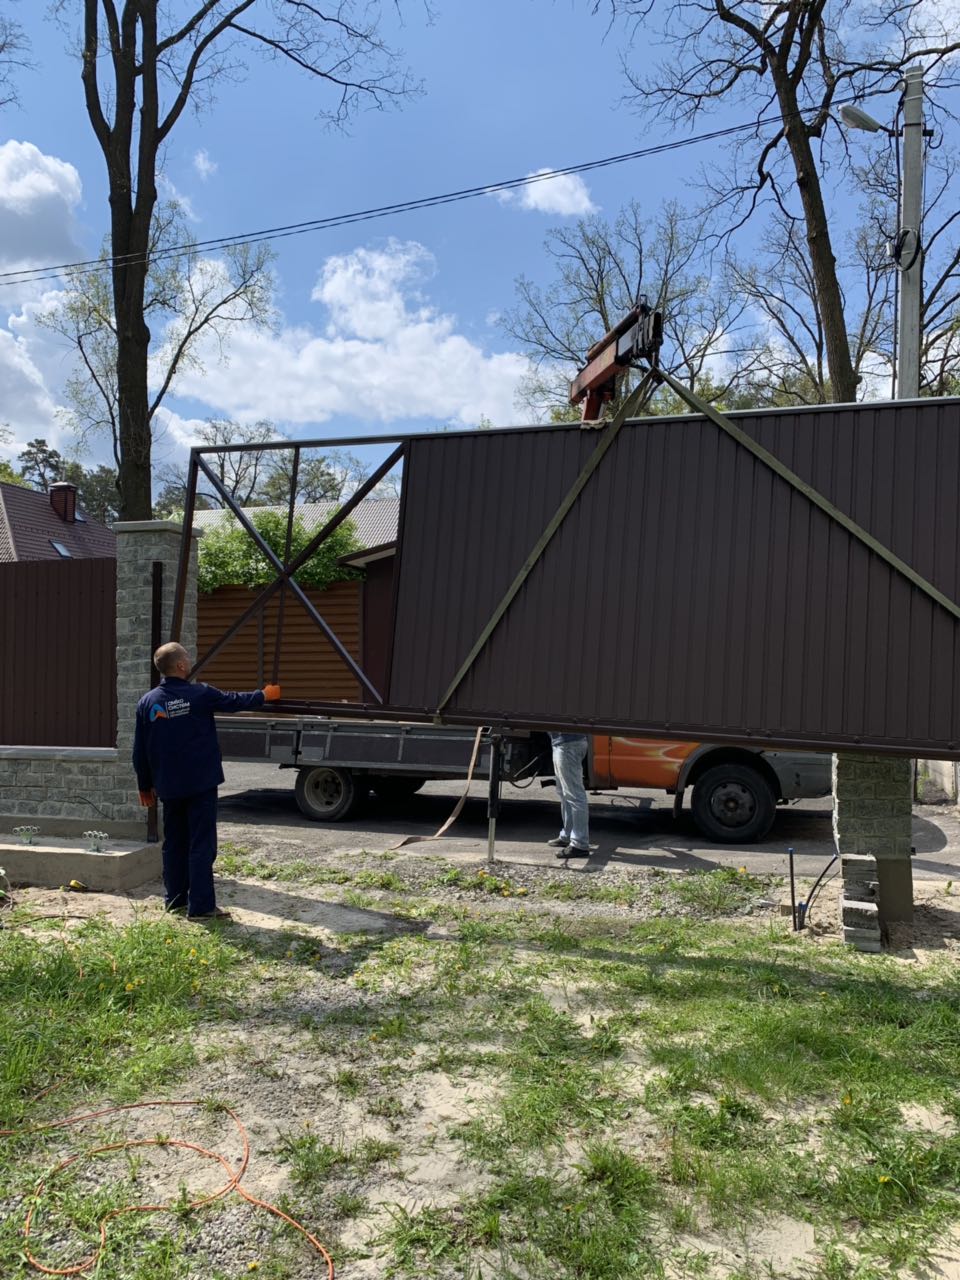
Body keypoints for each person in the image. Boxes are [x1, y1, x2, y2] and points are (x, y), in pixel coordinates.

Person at [133, 642, 281, 920]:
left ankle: (175, 900)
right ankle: (201, 908)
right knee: (201, 844)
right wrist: (264, 695)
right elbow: (235, 701)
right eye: (186, 657)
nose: (190, 660)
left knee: (174, 843)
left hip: (169, 786)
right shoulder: (200, 694)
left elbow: (139, 749)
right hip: (200, 784)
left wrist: (144, 785)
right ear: (180, 665)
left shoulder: (147, 702)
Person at [547, 732, 591, 858]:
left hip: (568, 744)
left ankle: (580, 844)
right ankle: (567, 835)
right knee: (565, 793)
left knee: (574, 795)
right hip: (563, 743)